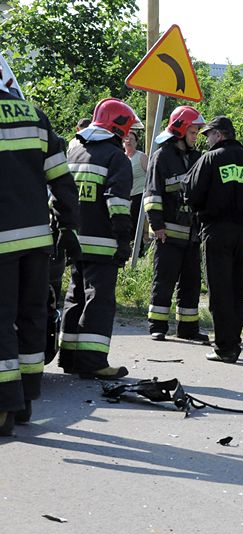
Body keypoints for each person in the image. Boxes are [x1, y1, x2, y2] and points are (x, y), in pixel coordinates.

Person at [0, 69, 80, 435]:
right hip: (36, 239)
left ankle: (4, 405)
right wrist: (68, 225)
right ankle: (28, 398)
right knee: (32, 316)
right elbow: (61, 177)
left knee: (1, 322)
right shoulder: (34, 115)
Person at [184, 116, 243, 363]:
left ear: (220, 135)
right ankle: (234, 340)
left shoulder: (210, 159)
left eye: (209, 135)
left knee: (220, 289)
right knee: (237, 288)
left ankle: (225, 347)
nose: (207, 140)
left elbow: (191, 194)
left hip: (216, 232)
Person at [59, 98, 137, 381]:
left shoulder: (74, 150)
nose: (127, 135)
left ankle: (70, 356)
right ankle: (93, 361)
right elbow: (117, 203)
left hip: (73, 239)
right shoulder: (116, 158)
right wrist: (123, 240)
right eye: (126, 129)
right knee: (99, 299)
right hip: (102, 241)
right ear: (117, 128)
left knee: (74, 295)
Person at [143, 106, 207, 342]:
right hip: (167, 233)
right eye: (192, 131)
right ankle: (157, 326)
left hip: (192, 234)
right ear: (180, 130)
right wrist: (157, 225)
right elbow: (152, 194)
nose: (195, 136)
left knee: (191, 282)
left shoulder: (197, 157)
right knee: (164, 280)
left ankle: (188, 328)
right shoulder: (162, 156)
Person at [123, 125, 148, 254]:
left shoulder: (141, 156)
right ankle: (128, 249)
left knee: (134, 223)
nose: (129, 141)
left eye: (132, 139)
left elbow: (150, 175)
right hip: (125, 196)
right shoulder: (121, 158)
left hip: (139, 195)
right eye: (126, 138)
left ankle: (138, 251)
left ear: (136, 142)